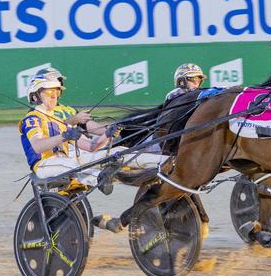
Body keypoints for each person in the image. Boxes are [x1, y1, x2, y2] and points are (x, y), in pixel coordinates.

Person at [18, 70, 165, 194]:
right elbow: (37, 146)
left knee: (117, 152)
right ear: (35, 95)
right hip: (45, 165)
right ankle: (106, 177)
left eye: (56, 92)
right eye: (49, 91)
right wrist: (64, 135)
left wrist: (108, 134)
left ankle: (163, 162)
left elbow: (91, 147)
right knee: (77, 166)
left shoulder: (61, 123)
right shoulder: (32, 119)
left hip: (68, 160)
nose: (54, 96)